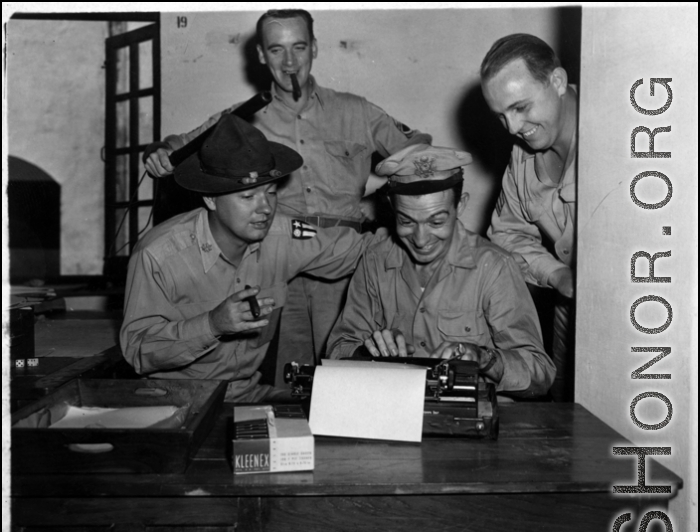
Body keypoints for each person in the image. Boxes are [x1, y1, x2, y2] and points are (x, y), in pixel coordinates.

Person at [144, 8, 431, 382]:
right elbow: (178, 146)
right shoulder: (242, 120)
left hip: (345, 262)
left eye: (298, 47)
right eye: (277, 50)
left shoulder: (356, 111)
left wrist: (392, 205)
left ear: (314, 48)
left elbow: (418, 151)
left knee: (349, 375)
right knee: (285, 380)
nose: (290, 61)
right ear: (262, 55)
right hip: (277, 261)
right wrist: (161, 149)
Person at [121, 114, 382, 403]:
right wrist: (211, 325)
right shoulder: (158, 255)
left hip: (248, 396)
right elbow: (137, 352)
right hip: (176, 400)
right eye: (247, 198)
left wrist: (419, 228)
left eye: (270, 193)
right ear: (210, 199)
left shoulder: (282, 235)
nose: (265, 209)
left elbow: (363, 250)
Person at [326, 144, 555, 398]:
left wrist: (483, 359)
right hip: (396, 410)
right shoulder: (374, 262)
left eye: (436, 222)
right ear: (392, 208)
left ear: (462, 205)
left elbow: (540, 374)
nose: (421, 239)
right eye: (406, 221)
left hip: (475, 419)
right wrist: (368, 353)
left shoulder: (495, 267)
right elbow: (337, 349)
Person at [479, 33, 577, 401]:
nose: (513, 128)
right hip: (570, 312)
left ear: (557, 81)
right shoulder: (523, 156)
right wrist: (556, 274)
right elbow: (505, 235)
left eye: (521, 107)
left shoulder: (623, 134)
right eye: (501, 115)